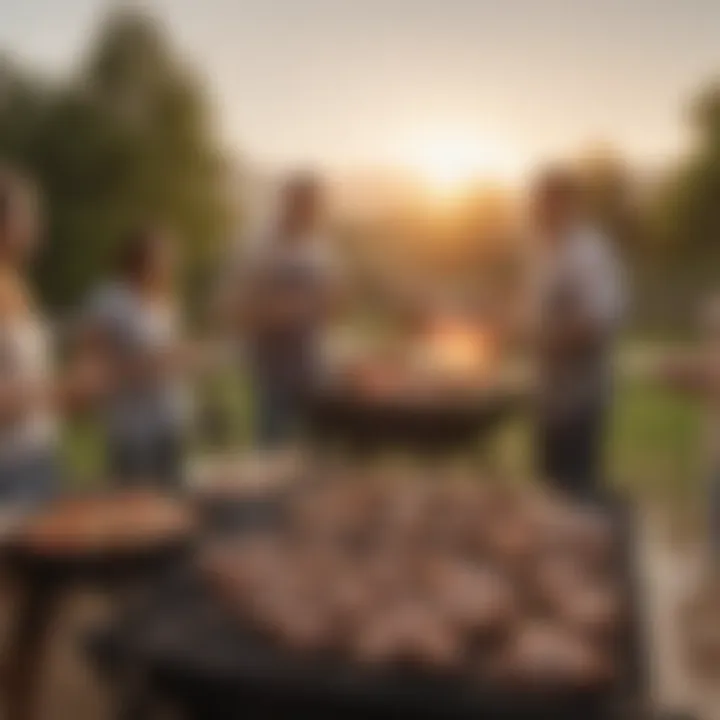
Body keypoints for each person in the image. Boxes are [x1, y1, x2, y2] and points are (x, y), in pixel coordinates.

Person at [220, 173, 342, 448]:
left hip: (314, 367)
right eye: (311, 206)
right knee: (274, 454)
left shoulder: (319, 249)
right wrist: (290, 309)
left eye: (319, 207)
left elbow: (326, 308)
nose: (317, 215)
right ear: (289, 204)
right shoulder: (257, 247)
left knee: (317, 452)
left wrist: (329, 306)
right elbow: (232, 308)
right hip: (273, 373)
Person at [527, 168, 626, 497]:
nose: (539, 210)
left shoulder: (589, 252)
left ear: (569, 204)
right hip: (548, 397)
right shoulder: (544, 251)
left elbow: (598, 324)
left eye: (547, 203)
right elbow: (535, 314)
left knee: (574, 495)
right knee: (547, 491)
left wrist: (543, 341)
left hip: (581, 399)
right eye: (537, 203)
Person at [79, 225, 192, 488]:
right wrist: (150, 365)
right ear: (142, 258)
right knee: (136, 502)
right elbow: (92, 364)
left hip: (170, 420)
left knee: (173, 503)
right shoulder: (109, 300)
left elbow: (169, 353)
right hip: (132, 431)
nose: (170, 265)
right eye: (165, 257)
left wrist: (182, 358)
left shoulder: (164, 301)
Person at [0, 168, 58, 507]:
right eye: (28, 215)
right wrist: (56, 390)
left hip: (37, 456)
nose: (37, 226)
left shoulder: (19, 285)